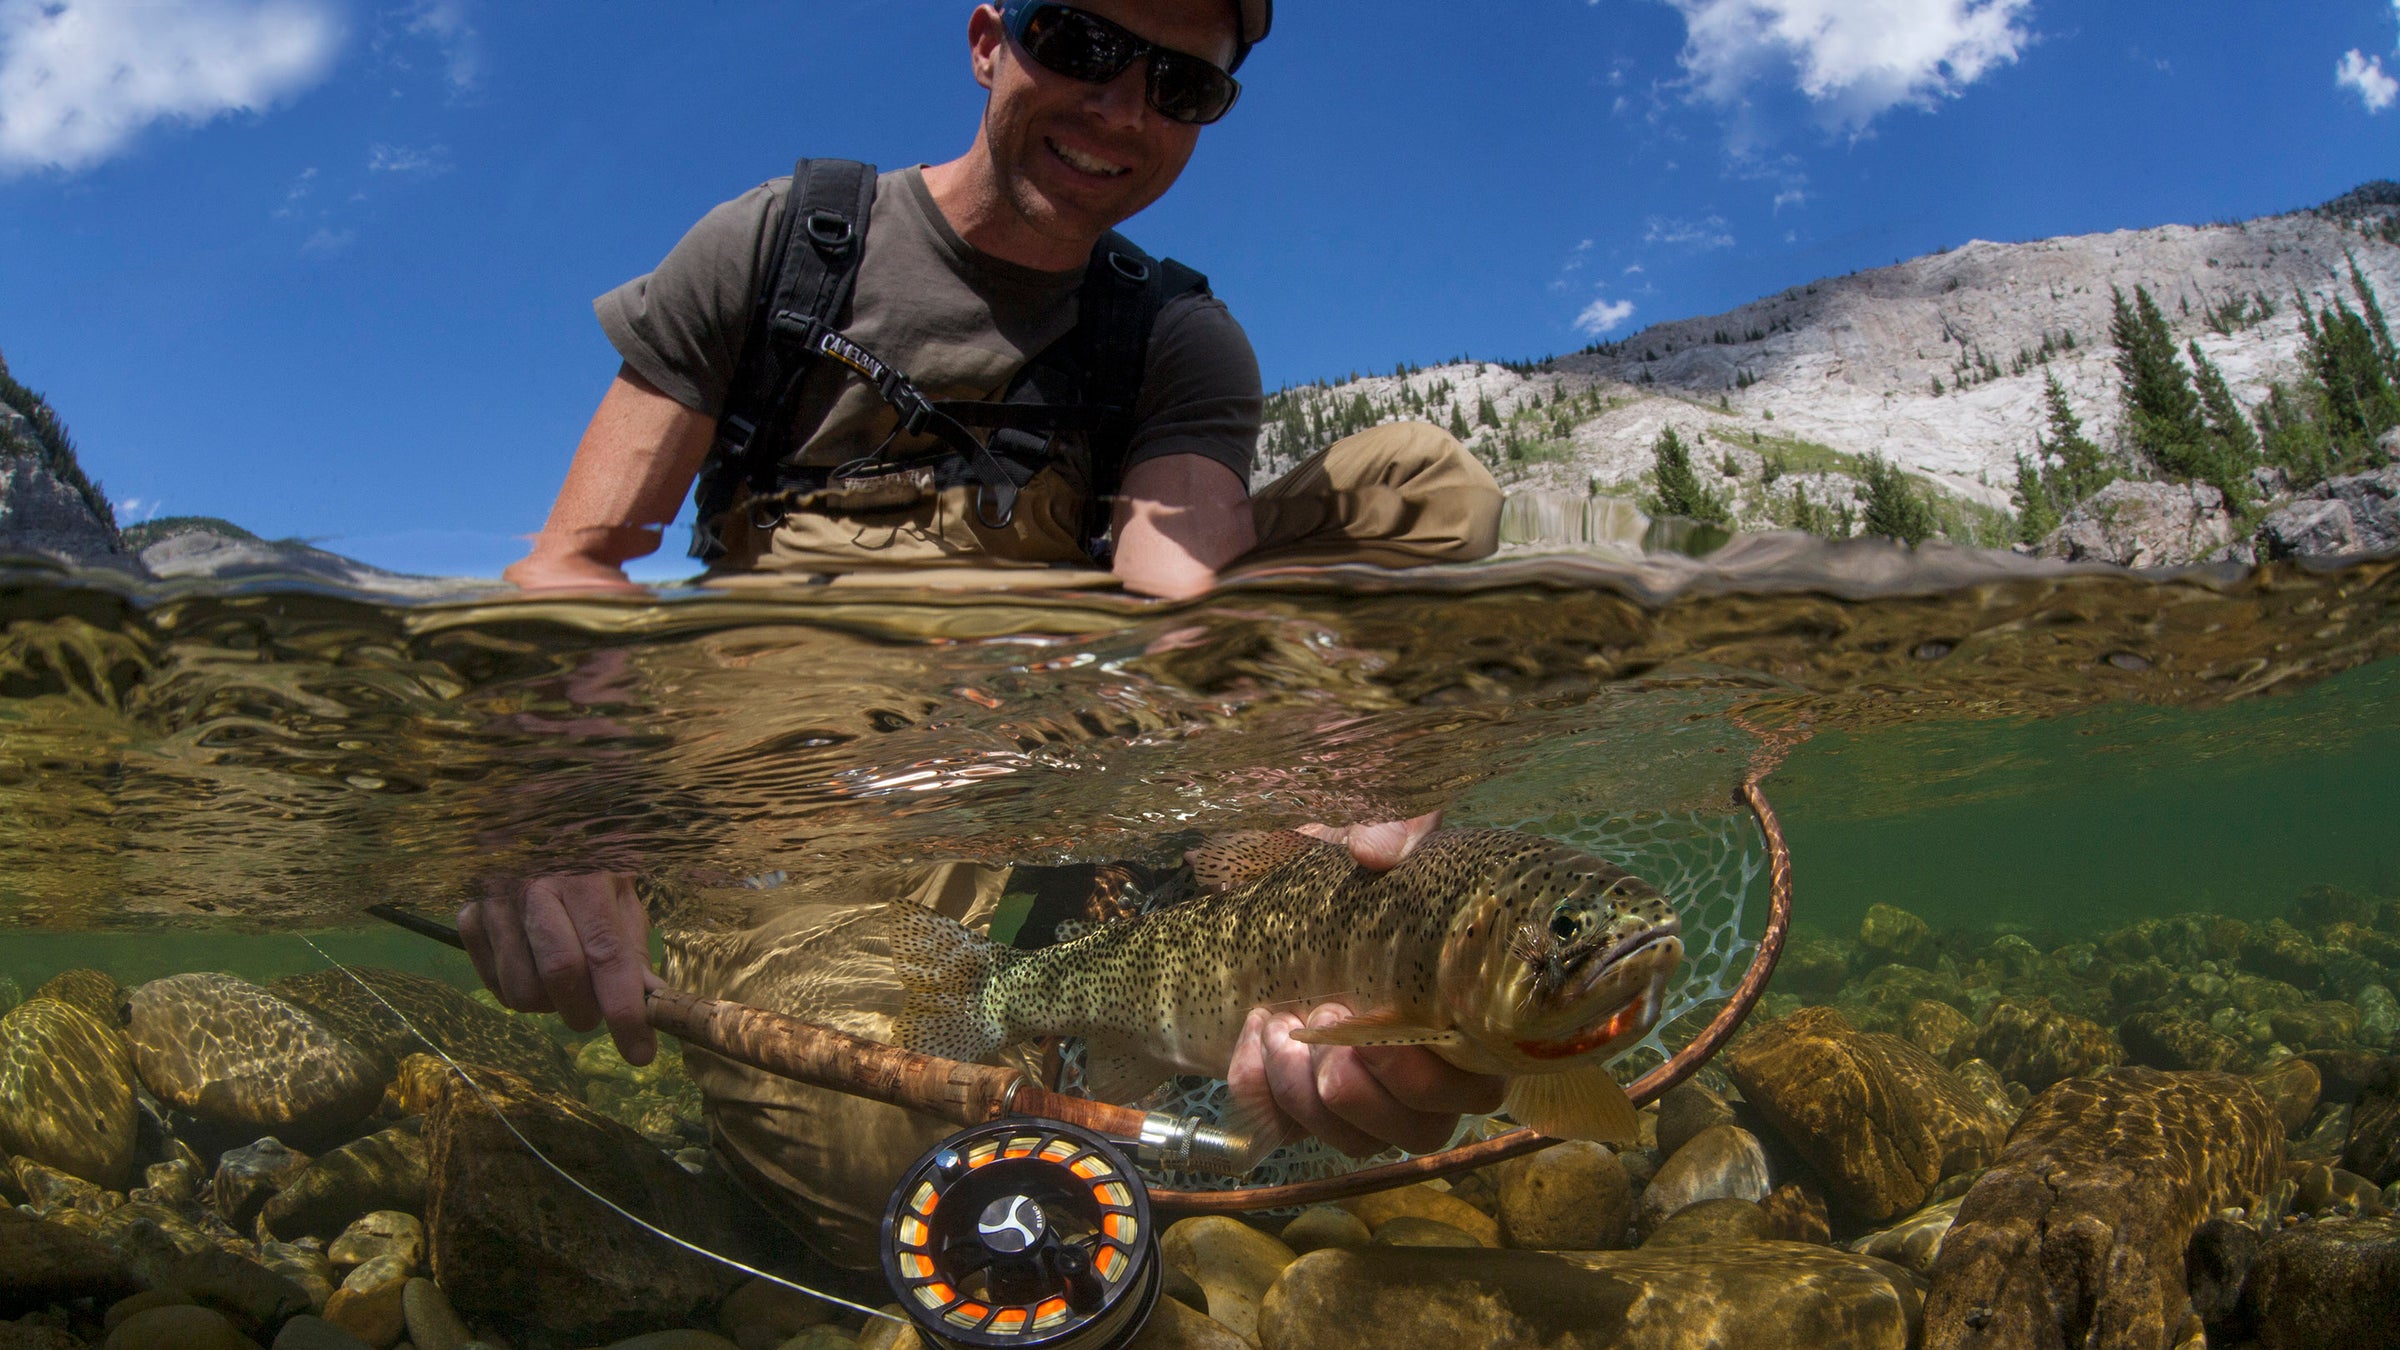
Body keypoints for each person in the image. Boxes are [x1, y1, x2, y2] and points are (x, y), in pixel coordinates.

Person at [467, 0, 1506, 1264]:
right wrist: (566, 809)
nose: (1124, 109)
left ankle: (1183, 910)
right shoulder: (779, 247)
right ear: (986, 40)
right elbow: (580, 560)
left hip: (1059, 716)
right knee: (897, 1173)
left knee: (1424, 479)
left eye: (1183, 86)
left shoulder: (1178, 332)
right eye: (1082, 43)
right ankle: (1039, 999)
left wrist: (1284, 806)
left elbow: (1176, 592)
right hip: (797, 756)